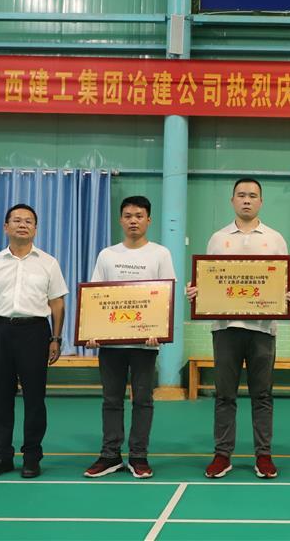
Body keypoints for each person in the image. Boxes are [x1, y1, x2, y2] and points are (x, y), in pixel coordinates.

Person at [186, 178, 290, 479]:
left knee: (263, 395)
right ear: (232, 200)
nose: (247, 200)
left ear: (261, 201)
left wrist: (288, 296)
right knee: (225, 395)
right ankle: (222, 455)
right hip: (226, 328)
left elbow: (284, 282)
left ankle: (264, 455)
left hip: (263, 329)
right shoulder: (217, 239)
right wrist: (197, 293)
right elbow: (207, 279)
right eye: (241, 195)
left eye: (252, 195)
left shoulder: (275, 239)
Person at [82, 196, 176, 479]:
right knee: (111, 399)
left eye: (139, 215)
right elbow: (95, 296)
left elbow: (167, 296)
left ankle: (138, 456)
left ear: (149, 220)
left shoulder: (160, 254)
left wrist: (158, 331)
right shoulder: (107, 255)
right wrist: (92, 332)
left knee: (143, 400)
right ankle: (110, 455)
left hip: (145, 344)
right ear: (120, 220)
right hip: (111, 344)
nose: (133, 220)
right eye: (128, 215)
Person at [0, 204, 68, 479]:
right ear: (6, 227)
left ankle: (32, 458)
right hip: (0, 331)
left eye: (28, 221)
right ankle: (1, 457)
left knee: (35, 400)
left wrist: (55, 338)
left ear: (35, 229)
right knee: (0, 400)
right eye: (16, 220)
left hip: (35, 332)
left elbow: (57, 303)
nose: (22, 224)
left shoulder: (48, 263)